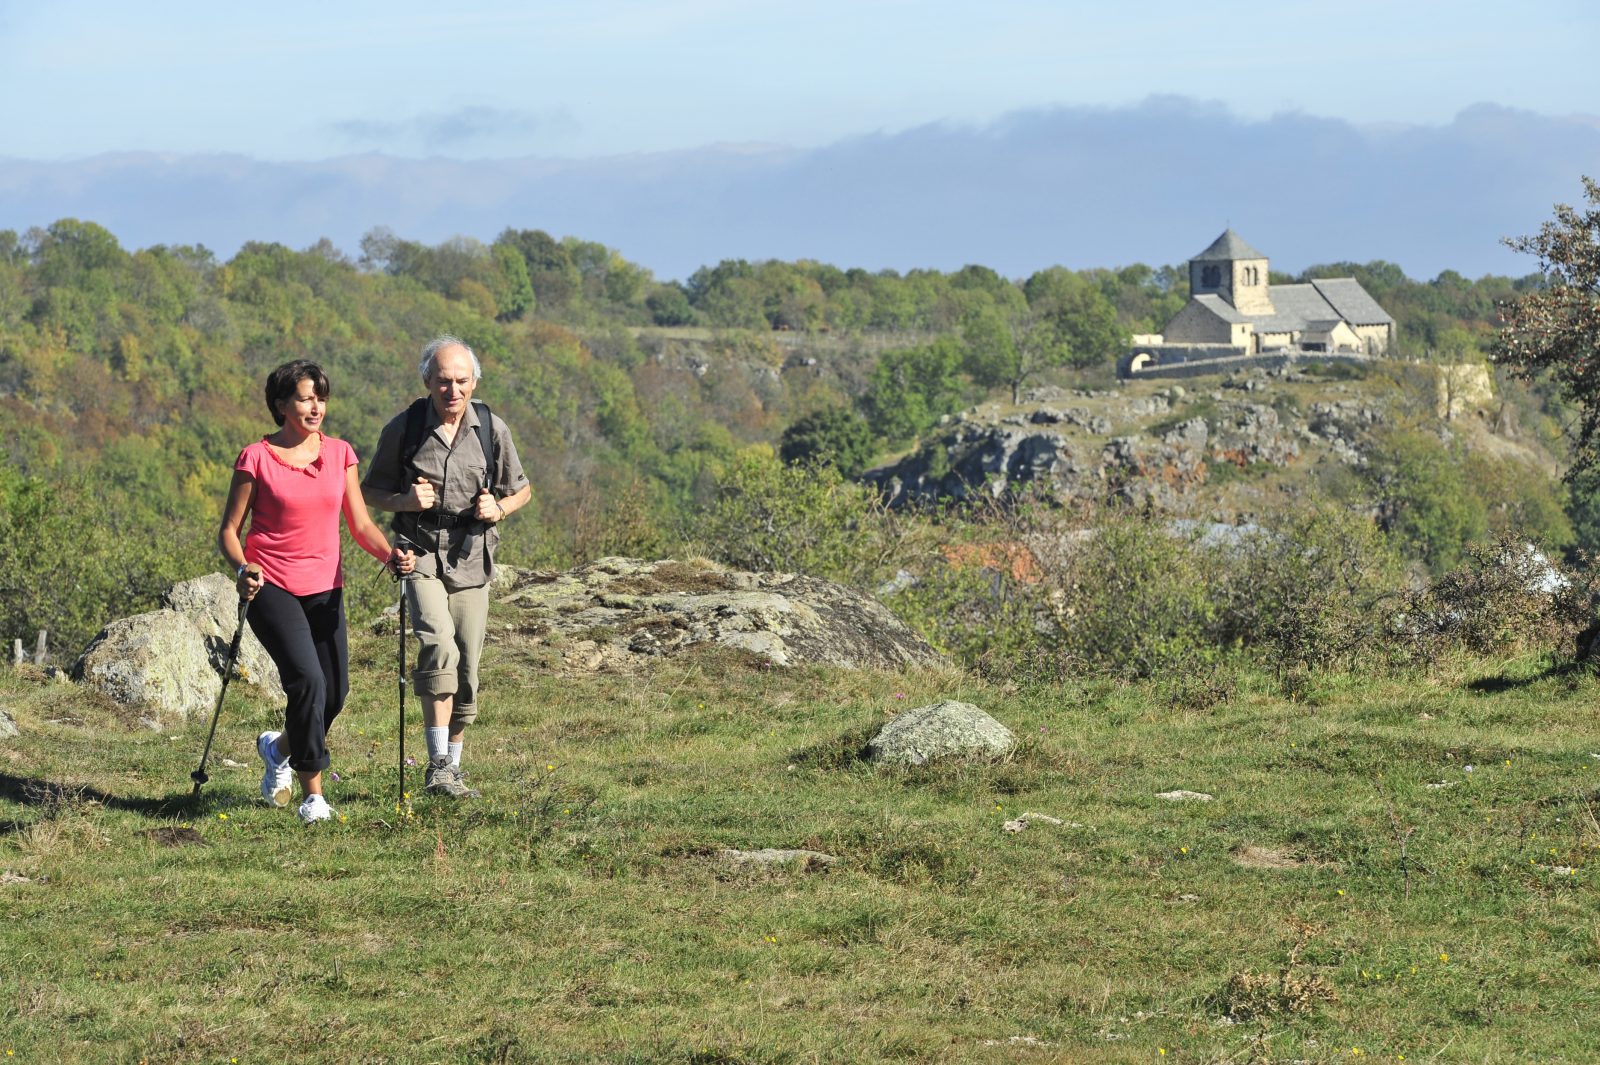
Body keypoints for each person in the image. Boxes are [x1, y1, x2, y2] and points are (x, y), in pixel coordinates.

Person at [218, 360, 414, 824]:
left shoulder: (340, 454)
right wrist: (243, 566)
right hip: (272, 585)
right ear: (282, 404)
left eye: (320, 398)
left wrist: (391, 555)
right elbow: (229, 530)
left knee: (334, 694)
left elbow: (361, 524)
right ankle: (313, 796)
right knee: (307, 681)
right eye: (306, 398)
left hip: (326, 588)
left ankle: (278, 748)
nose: (316, 407)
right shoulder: (257, 457)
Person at [363, 335, 530, 799]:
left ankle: (452, 768)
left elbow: (522, 490)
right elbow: (369, 491)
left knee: (468, 668)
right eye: (443, 382)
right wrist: (403, 500)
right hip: (418, 551)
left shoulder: (492, 428)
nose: (452, 391)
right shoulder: (406, 428)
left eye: (461, 381)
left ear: (474, 382)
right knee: (438, 645)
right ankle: (437, 764)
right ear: (427, 382)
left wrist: (497, 509)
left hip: (473, 556)